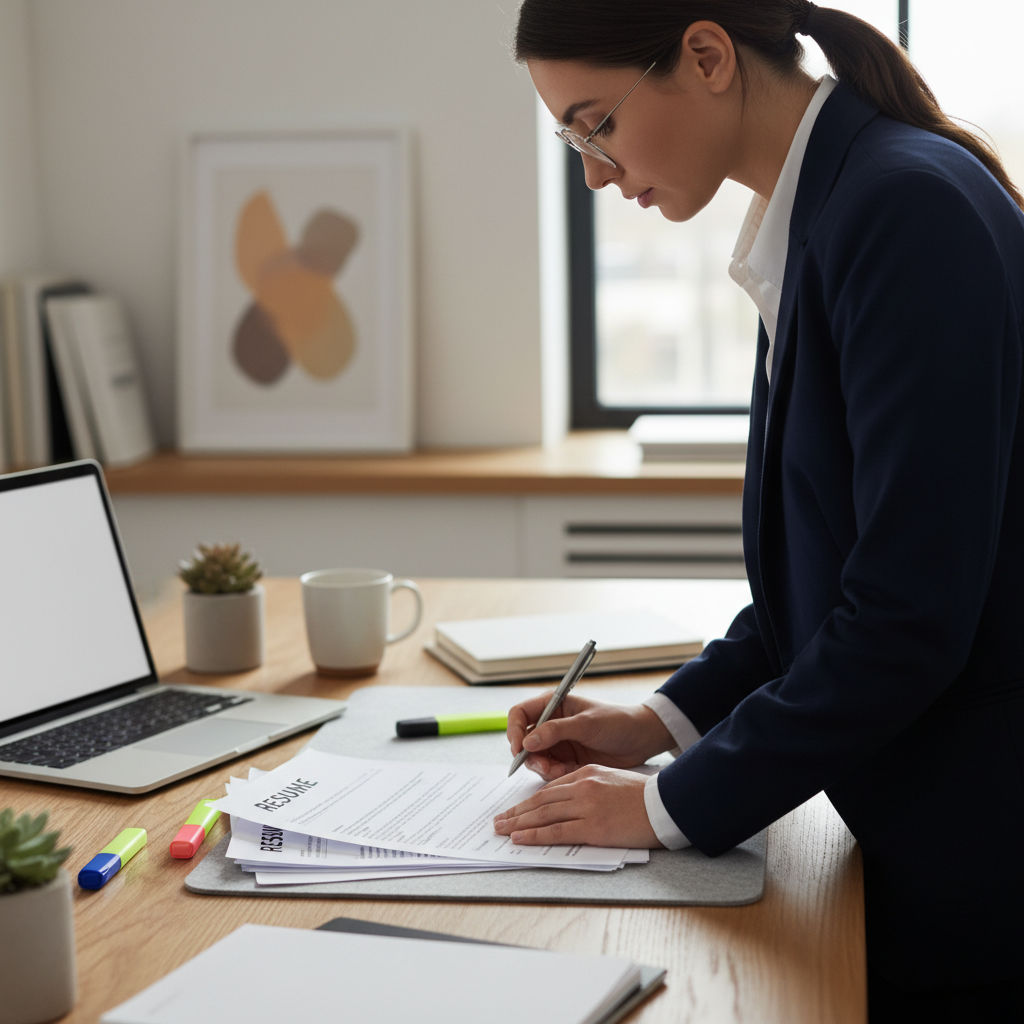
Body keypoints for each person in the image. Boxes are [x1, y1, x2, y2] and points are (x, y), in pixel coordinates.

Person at [491, 2, 1024, 1018]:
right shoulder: (829, 210)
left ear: (705, 55)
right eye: (572, 140)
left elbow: (904, 620)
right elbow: (824, 580)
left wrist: (657, 808)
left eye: (595, 124)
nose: (594, 172)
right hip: (922, 842)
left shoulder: (899, 212)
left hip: (980, 872)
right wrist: (655, 721)